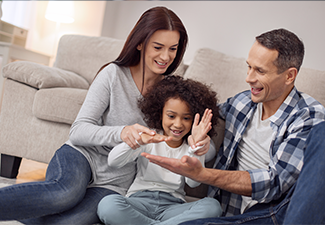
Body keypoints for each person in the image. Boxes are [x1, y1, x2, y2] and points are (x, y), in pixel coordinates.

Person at [0, 6, 210, 224]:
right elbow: (79, 129)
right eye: (158, 47)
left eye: (173, 49)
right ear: (140, 43)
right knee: (64, 194)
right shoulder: (113, 74)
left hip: (118, 180)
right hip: (82, 156)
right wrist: (122, 132)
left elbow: (191, 136)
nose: (166, 56)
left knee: (70, 222)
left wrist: (202, 145)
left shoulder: (172, 92)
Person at [143, 28, 325, 224]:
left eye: (260, 71)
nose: (249, 78)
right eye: (249, 67)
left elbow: (275, 182)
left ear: (289, 76)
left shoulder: (308, 117)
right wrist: (197, 138)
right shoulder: (243, 103)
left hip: (273, 214)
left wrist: (202, 174)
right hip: (231, 214)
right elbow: (194, 113)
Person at [97, 75, 222, 225]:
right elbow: (113, 161)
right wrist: (138, 141)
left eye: (186, 118)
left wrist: (195, 148)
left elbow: (193, 184)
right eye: (171, 116)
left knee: (212, 206)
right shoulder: (148, 138)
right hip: (139, 202)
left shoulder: (191, 147)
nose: (177, 124)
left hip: (173, 207)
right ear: (160, 113)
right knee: (107, 205)